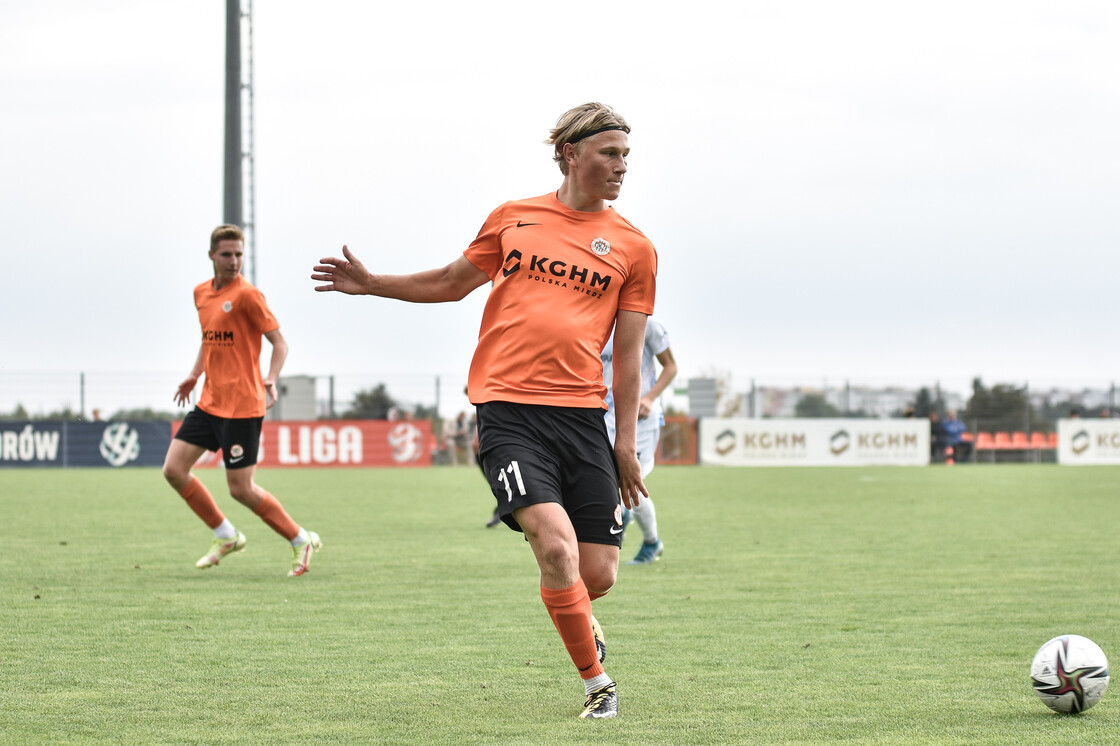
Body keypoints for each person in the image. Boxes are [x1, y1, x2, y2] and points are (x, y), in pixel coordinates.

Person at [311, 102, 656, 719]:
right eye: (609, 152)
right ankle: (596, 685)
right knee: (556, 550)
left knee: (595, 574)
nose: (621, 165)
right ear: (571, 154)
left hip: (582, 420)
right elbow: (450, 281)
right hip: (508, 412)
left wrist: (624, 443)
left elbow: (627, 359)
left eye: (626, 155)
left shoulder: (634, 248)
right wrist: (373, 283)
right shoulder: (513, 218)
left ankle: (582, 612)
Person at [163, 225, 322, 577]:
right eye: (226, 254)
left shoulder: (249, 295)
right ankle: (226, 535)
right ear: (211, 256)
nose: (234, 261)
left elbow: (280, 344)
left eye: (238, 254)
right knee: (174, 470)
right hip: (209, 402)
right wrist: (194, 374)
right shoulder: (201, 293)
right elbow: (210, 340)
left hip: (243, 407)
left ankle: (300, 539)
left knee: (241, 489)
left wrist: (271, 379)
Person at [601, 317, 677, 564]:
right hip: (604, 417)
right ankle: (622, 514)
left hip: (641, 420)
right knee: (604, 481)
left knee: (631, 482)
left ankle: (651, 542)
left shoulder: (648, 325)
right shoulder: (592, 319)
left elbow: (671, 367)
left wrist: (649, 399)